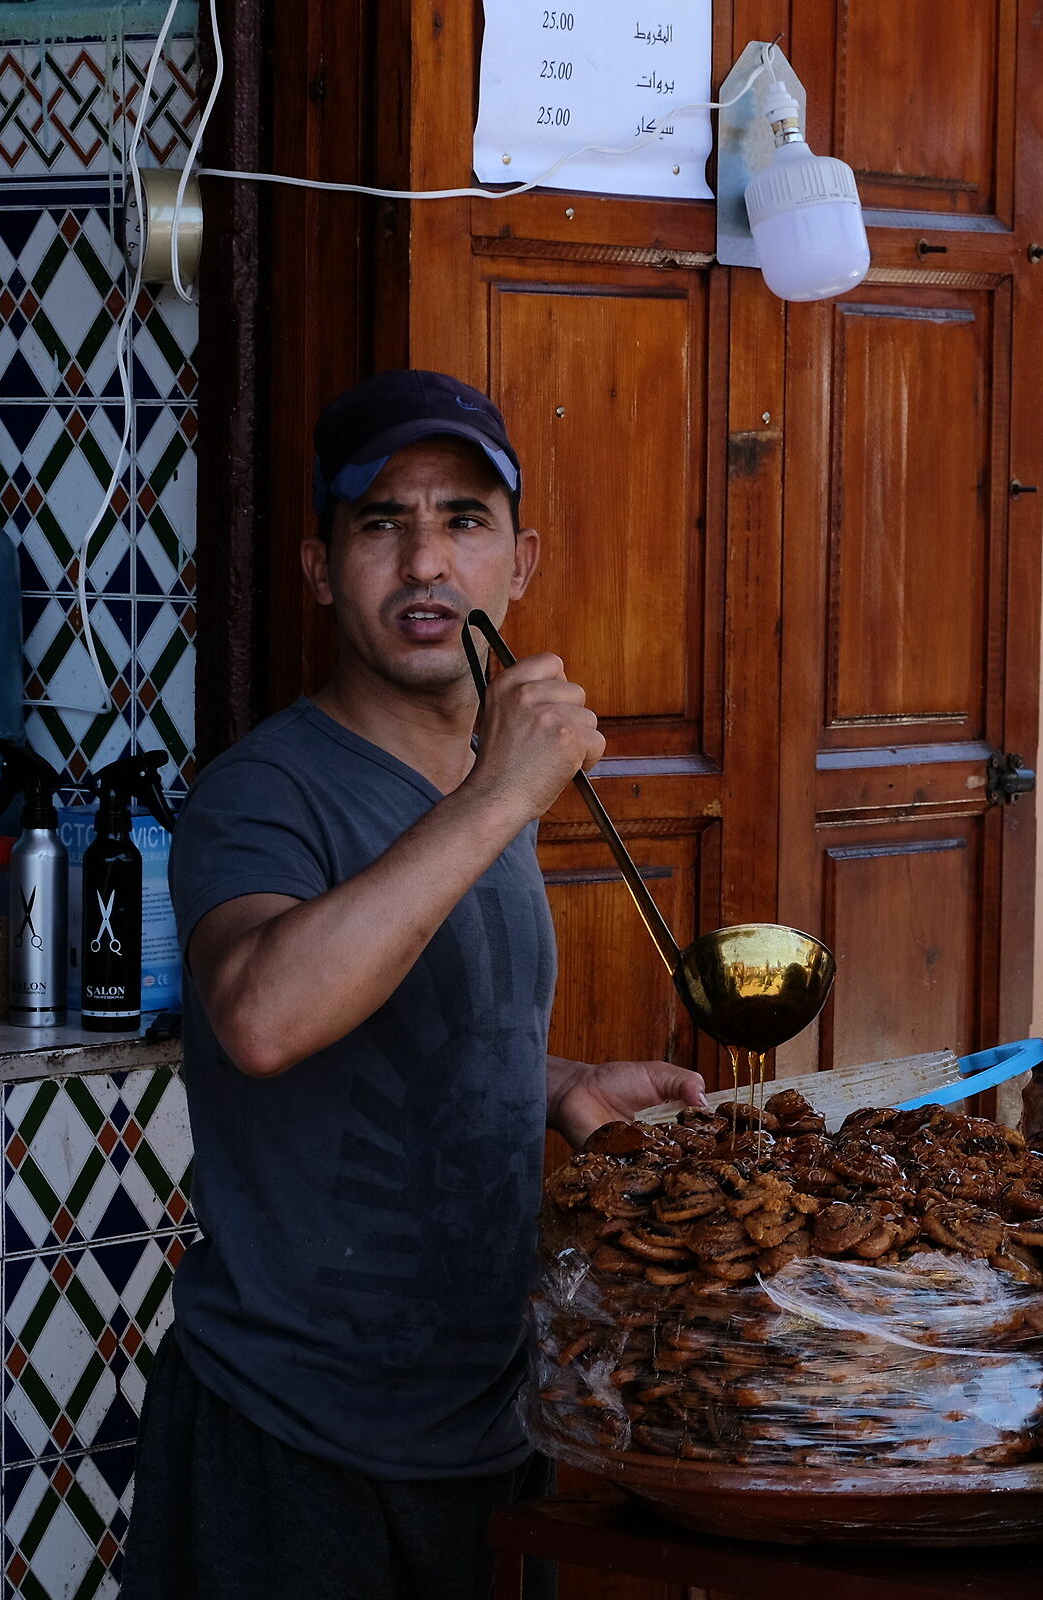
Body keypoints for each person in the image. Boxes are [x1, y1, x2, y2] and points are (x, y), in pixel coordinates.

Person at [124, 370, 708, 1600]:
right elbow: (266, 1018)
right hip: (293, 1444)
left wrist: (556, 1082)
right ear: (320, 569)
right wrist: (498, 794)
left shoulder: (485, 793)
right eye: (381, 523)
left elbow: (396, 1020)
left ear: (521, 559)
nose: (425, 561)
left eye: (464, 519)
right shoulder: (265, 793)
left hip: (491, 1430)